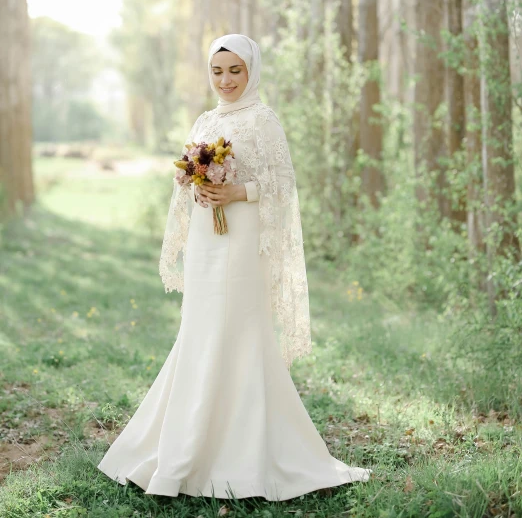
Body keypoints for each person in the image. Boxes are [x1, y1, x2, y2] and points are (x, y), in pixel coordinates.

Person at [97, 33, 371, 501]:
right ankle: (185, 445)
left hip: (243, 242)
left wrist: (237, 191)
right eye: (218, 71)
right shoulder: (205, 119)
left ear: (251, 72)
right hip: (208, 237)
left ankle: (242, 452)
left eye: (235, 70)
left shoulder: (264, 120)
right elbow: (187, 176)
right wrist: (197, 186)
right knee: (202, 329)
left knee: (239, 330)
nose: (225, 80)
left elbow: (283, 183)